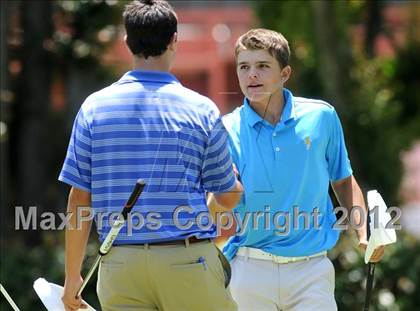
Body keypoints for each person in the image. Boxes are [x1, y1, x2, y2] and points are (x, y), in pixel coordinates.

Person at [59, 1, 242, 310]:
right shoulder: (201, 109)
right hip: (187, 260)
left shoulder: (93, 108)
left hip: (120, 264)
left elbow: (79, 199)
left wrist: (72, 275)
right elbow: (227, 196)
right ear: (173, 40)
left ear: (127, 41)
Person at [211, 28, 385, 311]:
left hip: (311, 270)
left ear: (285, 74)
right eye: (244, 67)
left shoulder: (321, 117)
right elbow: (218, 200)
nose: (251, 75)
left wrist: (362, 233)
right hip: (249, 267)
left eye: (262, 66)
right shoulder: (225, 129)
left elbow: (342, 179)